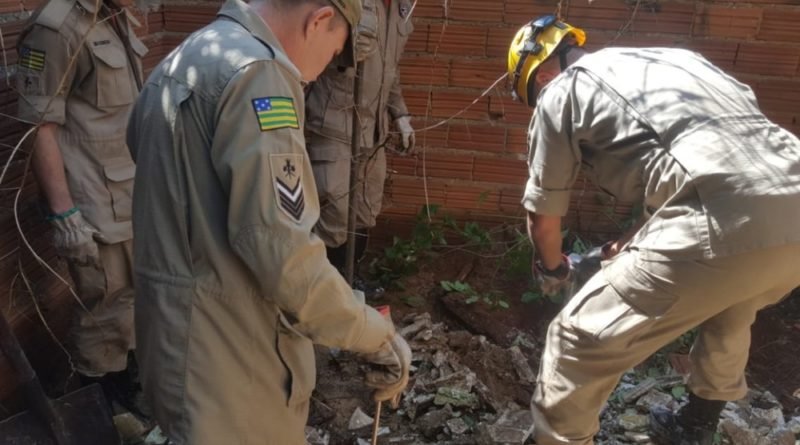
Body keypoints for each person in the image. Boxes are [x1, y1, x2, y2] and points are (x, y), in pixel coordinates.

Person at [125, 0, 411, 443]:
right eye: (335, 54)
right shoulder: (261, 77)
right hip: (232, 362)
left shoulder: (188, 56)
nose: (321, 73)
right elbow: (281, 250)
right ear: (318, 20)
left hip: (173, 344)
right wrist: (373, 332)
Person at [507, 14, 800, 445]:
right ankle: (696, 427)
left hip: (719, 212)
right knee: (730, 299)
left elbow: (543, 219)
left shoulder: (561, 93)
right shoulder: (676, 61)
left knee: (575, 341)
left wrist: (555, 271)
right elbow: (720, 174)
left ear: (542, 75)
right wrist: (615, 251)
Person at [16, 0, 147, 411]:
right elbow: (39, 126)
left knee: (133, 302)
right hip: (93, 205)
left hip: (130, 193)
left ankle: (132, 391)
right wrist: (65, 215)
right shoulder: (57, 29)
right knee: (104, 311)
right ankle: (104, 409)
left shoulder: (113, 13)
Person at [305, 0, 415, 273]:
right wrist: (342, 51)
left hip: (373, 131)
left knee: (364, 212)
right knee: (334, 214)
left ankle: (349, 283)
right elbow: (303, 46)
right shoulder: (347, 3)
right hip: (333, 123)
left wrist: (399, 114)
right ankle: (316, 291)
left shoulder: (402, 6)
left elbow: (390, 68)